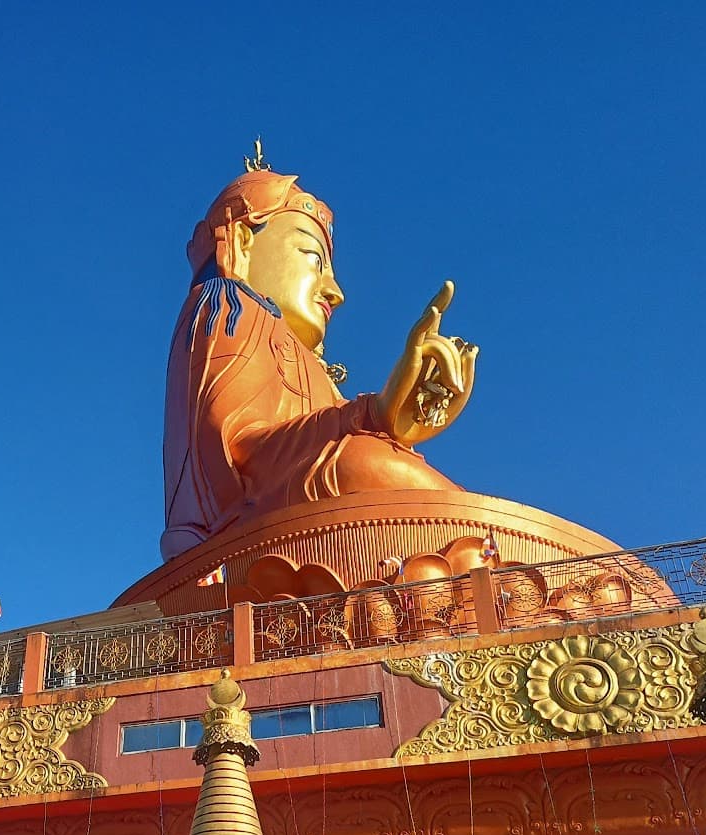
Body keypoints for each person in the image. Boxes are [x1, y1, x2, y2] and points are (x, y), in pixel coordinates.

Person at [162, 162, 479, 561]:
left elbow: (335, 435)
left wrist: (398, 412)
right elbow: (238, 453)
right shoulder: (228, 306)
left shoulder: (305, 357)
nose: (335, 291)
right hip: (252, 523)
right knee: (362, 463)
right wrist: (370, 414)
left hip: (304, 501)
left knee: (394, 472)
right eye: (314, 260)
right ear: (242, 245)